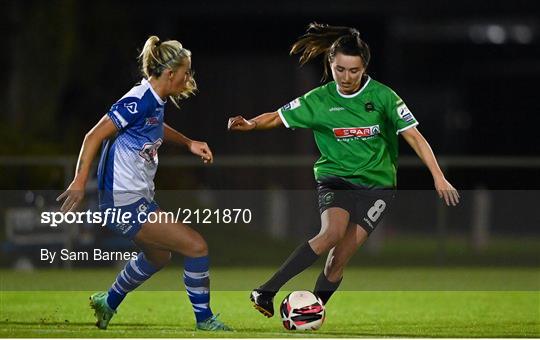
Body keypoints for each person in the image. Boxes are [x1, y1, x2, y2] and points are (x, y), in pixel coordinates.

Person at [228, 23, 460, 317]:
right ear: (331, 64)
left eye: (354, 71)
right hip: (335, 178)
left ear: (364, 68)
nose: (346, 77)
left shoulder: (384, 97)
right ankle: (266, 291)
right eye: (340, 70)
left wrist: (438, 176)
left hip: (377, 188)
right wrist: (250, 123)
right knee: (331, 233)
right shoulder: (320, 99)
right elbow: (277, 116)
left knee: (338, 261)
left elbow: (414, 135)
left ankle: (311, 310)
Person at [57, 35, 231, 331]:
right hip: (123, 201)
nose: (189, 77)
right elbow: (94, 135)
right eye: (186, 71)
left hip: (136, 199)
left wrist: (188, 142)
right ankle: (205, 321)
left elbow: (154, 125)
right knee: (196, 247)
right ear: (170, 73)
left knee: (158, 256)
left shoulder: (155, 100)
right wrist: (79, 179)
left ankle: (107, 302)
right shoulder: (137, 100)